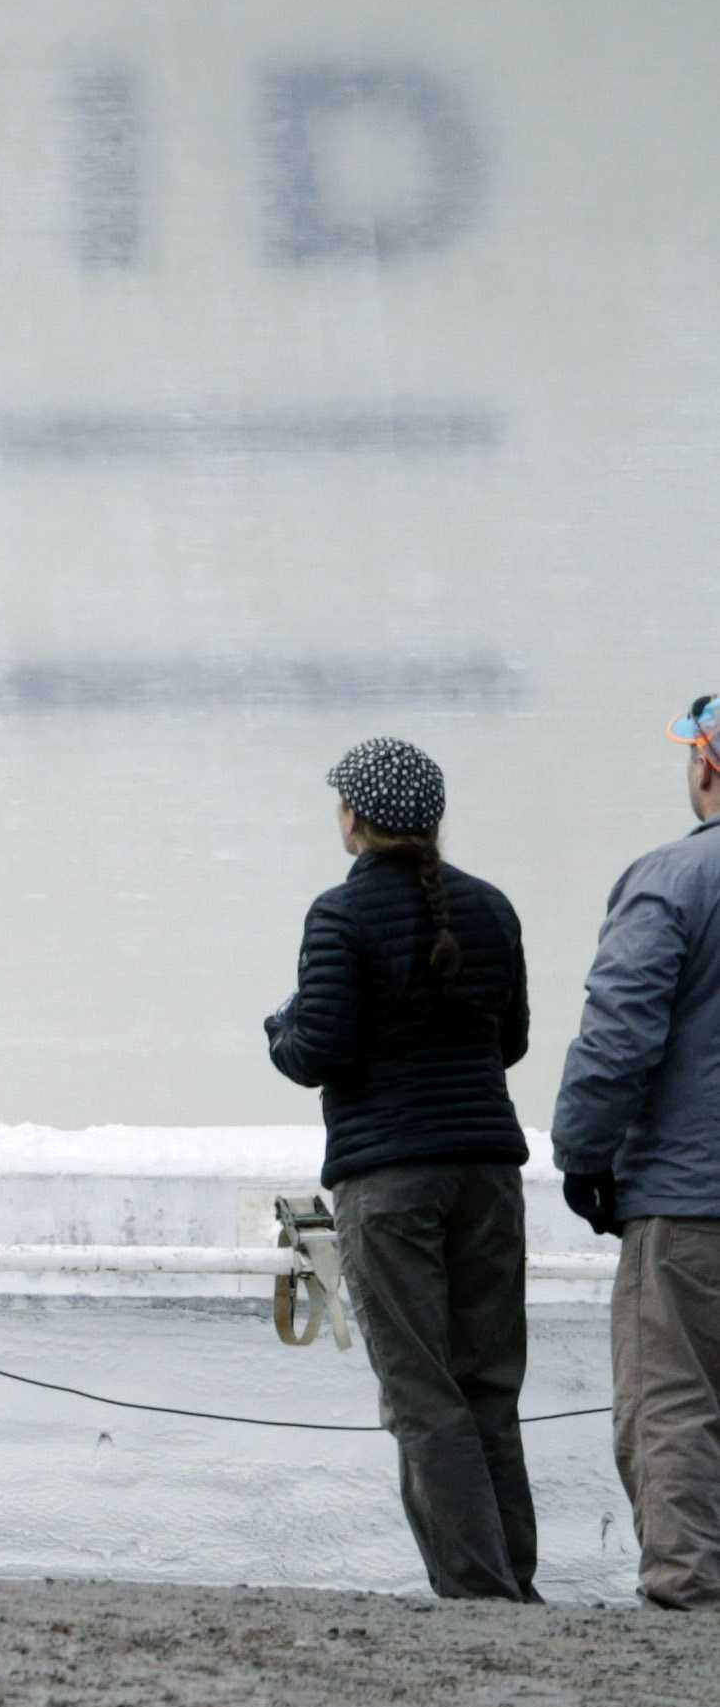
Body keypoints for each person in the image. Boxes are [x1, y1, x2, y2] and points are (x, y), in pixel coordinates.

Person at [265, 736, 539, 1601]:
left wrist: (276, 1027)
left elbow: (318, 1050)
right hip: (487, 1173)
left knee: (421, 1392)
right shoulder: (490, 907)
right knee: (487, 1384)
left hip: (388, 1182)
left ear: (353, 817)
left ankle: (476, 1591)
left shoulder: (338, 917)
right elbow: (514, 1039)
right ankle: (513, 1581)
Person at [549, 689, 720, 1608]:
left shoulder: (671, 880)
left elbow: (616, 1035)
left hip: (689, 1203)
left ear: (705, 766)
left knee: (672, 1407)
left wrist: (582, 1153)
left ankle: (689, 1605)